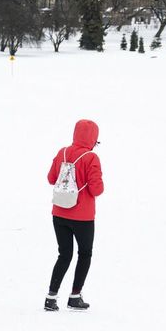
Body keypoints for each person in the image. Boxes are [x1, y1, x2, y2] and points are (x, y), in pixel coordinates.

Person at [45, 119, 104, 311]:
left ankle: (51, 297)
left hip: (59, 213)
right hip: (83, 217)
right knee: (84, 254)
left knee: (64, 254)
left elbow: (51, 178)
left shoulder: (62, 152)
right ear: (93, 138)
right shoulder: (91, 158)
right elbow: (96, 190)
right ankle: (75, 296)